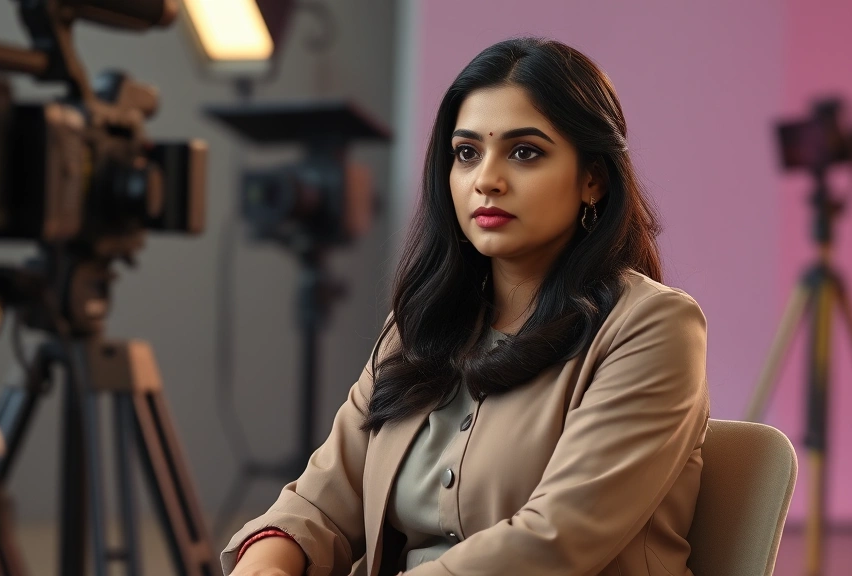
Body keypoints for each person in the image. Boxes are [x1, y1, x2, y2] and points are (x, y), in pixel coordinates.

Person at [223, 37, 709, 576]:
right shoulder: (421, 327)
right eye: (467, 153)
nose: (486, 181)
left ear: (592, 178)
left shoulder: (652, 327)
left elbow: (555, 540)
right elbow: (322, 501)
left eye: (525, 152)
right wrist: (265, 565)